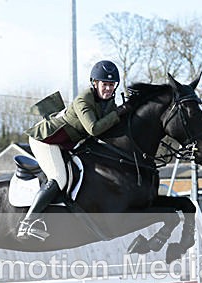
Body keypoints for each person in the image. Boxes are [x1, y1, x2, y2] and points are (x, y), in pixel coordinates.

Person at [18, 60, 134, 241]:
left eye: (112, 85)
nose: (108, 89)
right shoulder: (83, 99)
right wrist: (119, 113)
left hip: (67, 143)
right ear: (95, 83)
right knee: (59, 177)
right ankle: (27, 223)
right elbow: (94, 129)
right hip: (47, 140)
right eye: (105, 85)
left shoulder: (109, 103)